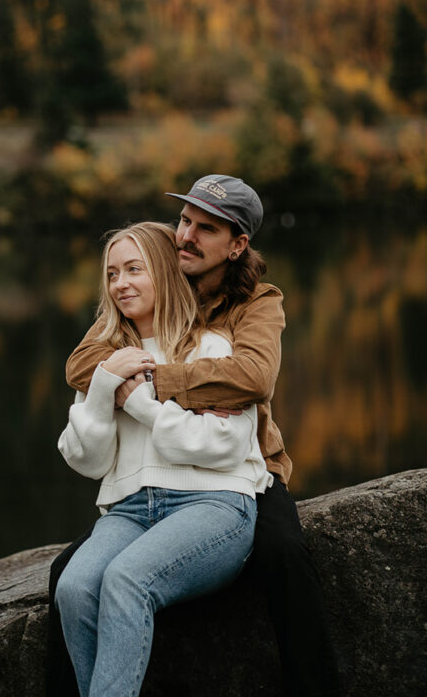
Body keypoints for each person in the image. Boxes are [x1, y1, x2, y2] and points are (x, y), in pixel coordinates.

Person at [48, 175, 339, 697]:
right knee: (68, 578)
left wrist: (146, 384)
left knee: (283, 554)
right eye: (185, 220)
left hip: (242, 472)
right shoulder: (146, 284)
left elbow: (250, 379)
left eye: (206, 228)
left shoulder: (255, 301)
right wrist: (112, 377)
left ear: (237, 244)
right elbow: (82, 363)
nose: (187, 235)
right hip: (143, 491)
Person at [56, 221, 271, 697]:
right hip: (131, 510)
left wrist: (138, 404)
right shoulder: (105, 360)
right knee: (73, 589)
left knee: (126, 581)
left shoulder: (211, 349)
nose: (120, 283)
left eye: (135, 269)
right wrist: (102, 392)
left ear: (165, 273)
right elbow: (86, 459)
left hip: (213, 505)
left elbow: (225, 444)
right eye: (112, 273)